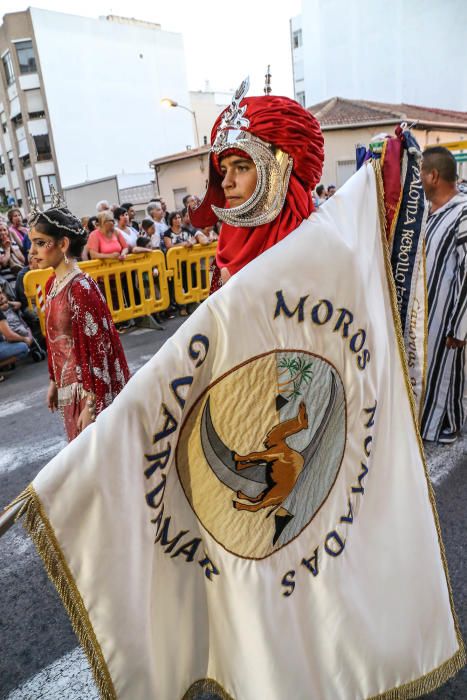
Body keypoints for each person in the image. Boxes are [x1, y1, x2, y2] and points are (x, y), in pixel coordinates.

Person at [28, 195, 130, 441]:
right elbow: (54, 339)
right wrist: (54, 381)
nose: (32, 251)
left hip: (87, 393)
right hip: (68, 391)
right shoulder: (53, 282)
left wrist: (92, 404)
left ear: (63, 245)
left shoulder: (80, 288)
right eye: (32, 243)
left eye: (40, 243)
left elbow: (98, 348)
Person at [420, 146, 467, 444]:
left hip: (449, 316)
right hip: (426, 315)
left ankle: (450, 422)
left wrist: (460, 326)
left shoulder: (463, 212)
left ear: (434, 176)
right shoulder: (427, 212)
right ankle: (429, 421)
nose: (419, 180)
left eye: (421, 174)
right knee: (429, 371)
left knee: (451, 373)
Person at [0, 219, 25, 285]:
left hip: (19, 276)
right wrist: (7, 249)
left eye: (4, 230)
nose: (2, 232)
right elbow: (4, 263)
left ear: (8, 231)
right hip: (8, 281)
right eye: (0, 230)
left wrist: (11, 247)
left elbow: (22, 260)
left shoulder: (13, 243)